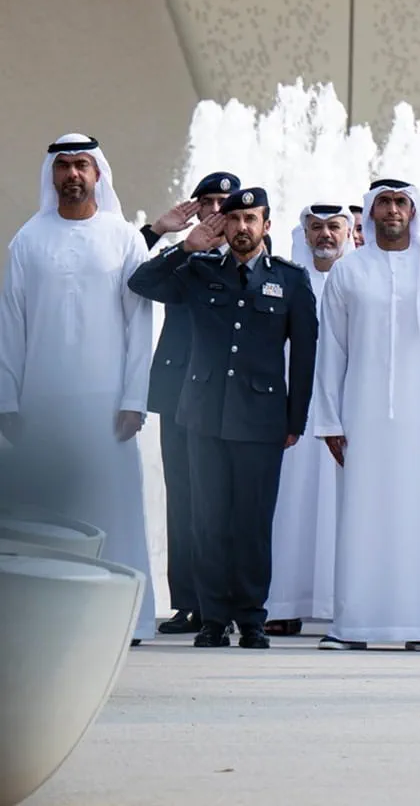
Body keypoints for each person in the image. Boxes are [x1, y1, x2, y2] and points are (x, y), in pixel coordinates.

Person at [127, 185, 318, 649]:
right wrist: (184, 247)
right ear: (223, 226)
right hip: (203, 415)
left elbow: (306, 355)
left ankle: (251, 618)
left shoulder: (289, 280)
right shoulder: (198, 269)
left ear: (266, 226)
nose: (241, 227)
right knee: (208, 521)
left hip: (262, 420)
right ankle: (213, 619)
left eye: (251, 219)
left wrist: (295, 421)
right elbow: (140, 283)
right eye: (233, 220)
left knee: (251, 523)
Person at [1, 135, 158, 643]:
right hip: (42, 405)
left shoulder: (124, 238)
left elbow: (140, 326)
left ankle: (124, 621)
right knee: (53, 514)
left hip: (108, 406)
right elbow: (11, 326)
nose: (72, 174)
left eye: (82, 166)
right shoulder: (28, 239)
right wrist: (7, 401)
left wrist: (135, 399)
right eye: (64, 165)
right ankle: (52, 619)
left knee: (115, 509)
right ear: (52, 174)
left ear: (97, 174)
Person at [311, 180, 420, 652]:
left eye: (402, 202)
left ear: (414, 210)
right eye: (385, 202)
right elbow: (332, 351)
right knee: (363, 515)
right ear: (371, 211)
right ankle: (356, 625)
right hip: (361, 416)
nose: (393, 210)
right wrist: (330, 421)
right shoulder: (348, 271)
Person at [139, 168, 240, 635]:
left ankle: (234, 599)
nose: (217, 214)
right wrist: (175, 239)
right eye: (208, 204)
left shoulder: (255, 257)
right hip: (181, 393)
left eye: (227, 206)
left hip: (235, 398)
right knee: (184, 498)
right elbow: (138, 283)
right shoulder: (181, 259)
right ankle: (189, 602)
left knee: (233, 500)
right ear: (195, 208)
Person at [262, 202, 353, 636]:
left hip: (349, 410)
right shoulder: (285, 280)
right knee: (292, 506)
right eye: (316, 228)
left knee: (344, 507)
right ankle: (284, 604)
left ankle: (346, 604)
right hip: (294, 411)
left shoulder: (358, 280)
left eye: (333, 227)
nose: (325, 236)